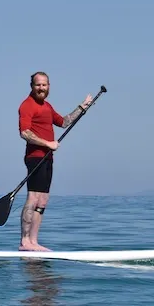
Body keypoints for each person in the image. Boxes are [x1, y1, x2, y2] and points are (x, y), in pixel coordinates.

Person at [17, 71, 93, 251]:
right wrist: (47, 143)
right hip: (35, 157)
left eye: (44, 84)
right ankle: (24, 241)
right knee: (33, 197)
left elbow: (64, 122)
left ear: (49, 86)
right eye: (38, 85)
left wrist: (82, 107)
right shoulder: (27, 105)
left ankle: (33, 242)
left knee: (42, 200)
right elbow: (24, 133)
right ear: (32, 86)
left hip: (48, 158)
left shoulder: (47, 106)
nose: (41, 88)